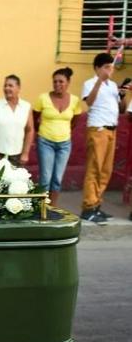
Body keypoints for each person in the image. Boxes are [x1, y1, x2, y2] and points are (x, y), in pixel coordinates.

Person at [80, 53, 126, 224]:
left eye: (111, 67)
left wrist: (121, 95)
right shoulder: (89, 83)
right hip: (97, 129)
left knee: (105, 171)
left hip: (111, 129)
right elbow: (90, 102)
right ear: (97, 68)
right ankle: (88, 207)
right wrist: (100, 80)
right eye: (106, 67)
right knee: (94, 169)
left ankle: (96, 205)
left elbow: (120, 109)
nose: (110, 70)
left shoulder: (113, 85)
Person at [33, 67, 82, 208]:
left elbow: (75, 121)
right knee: (45, 179)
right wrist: (42, 133)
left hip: (64, 144)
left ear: (68, 83)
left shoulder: (75, 100)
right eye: (55, 82)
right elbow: (35, 118)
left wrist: (64, 132)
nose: (57, 85)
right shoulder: (43, 98)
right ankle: (41, 207)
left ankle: (52, 207)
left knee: (57, 179)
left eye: (61, 81)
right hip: (45, 142)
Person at [0, 75, 34, 166]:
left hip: (18, 156)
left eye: (10, 86)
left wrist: (25, 153)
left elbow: (30, 130)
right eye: (5, 85)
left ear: (18, 88)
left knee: (18, 180)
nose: (7, 88)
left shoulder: (26, 106)